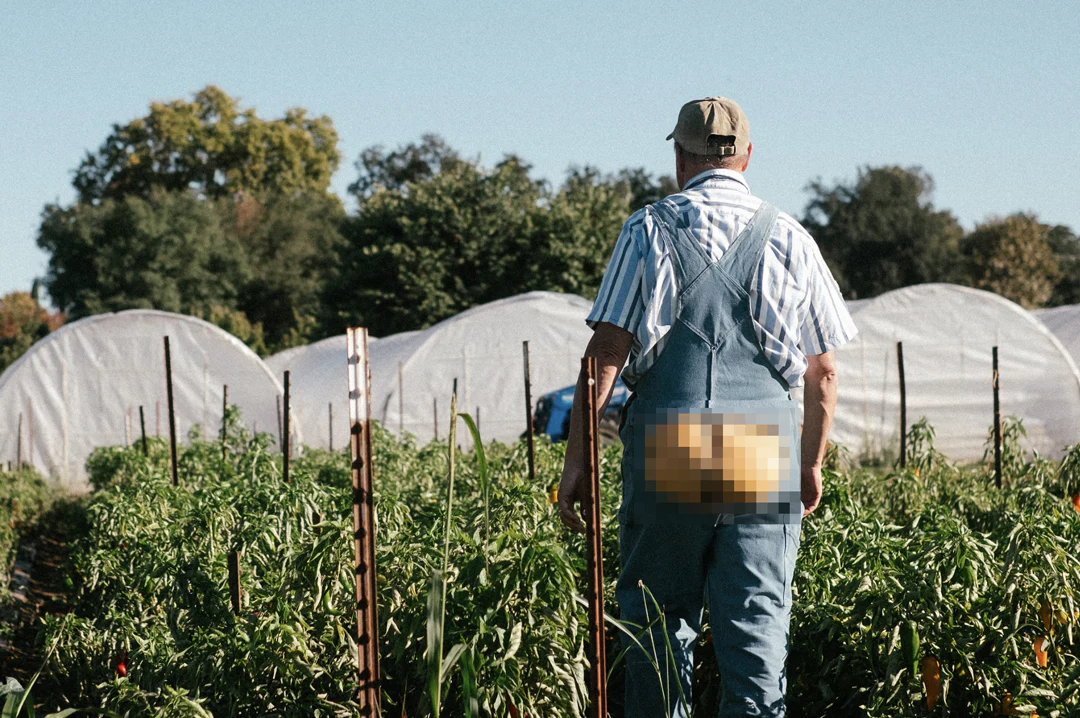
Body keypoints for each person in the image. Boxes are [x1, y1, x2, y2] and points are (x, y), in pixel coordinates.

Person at [557, 96, 857, 717]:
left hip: (672, 442)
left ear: (679, 157)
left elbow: (605, 354)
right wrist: (809, 464)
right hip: (762, 448)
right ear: (747, 156)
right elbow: (824, 372)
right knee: (756, 625)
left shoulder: (647, 229)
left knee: (659, 626)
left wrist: (578, 462)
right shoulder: (789, 236)